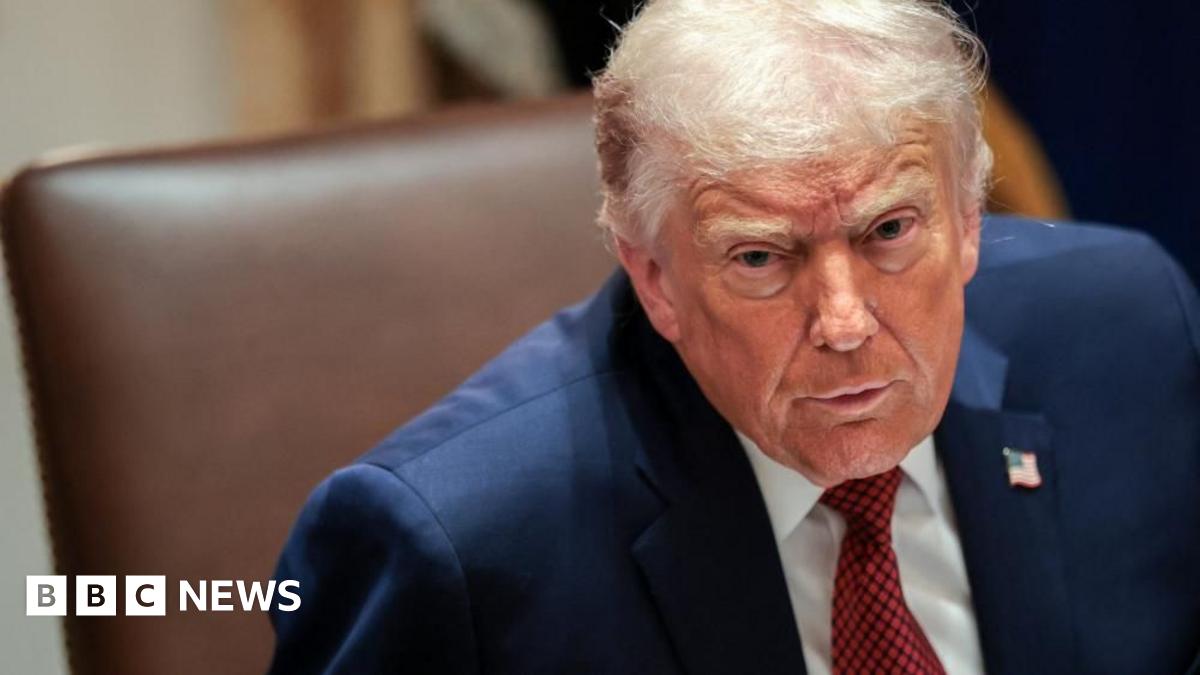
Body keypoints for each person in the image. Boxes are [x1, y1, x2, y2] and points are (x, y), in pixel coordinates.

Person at [268, 1, 1200, 673]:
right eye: (759, 257)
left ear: (966, 221)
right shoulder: (457, 548)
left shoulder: (1131, 328)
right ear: (655, 278)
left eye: (888, 232)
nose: (843, 323)